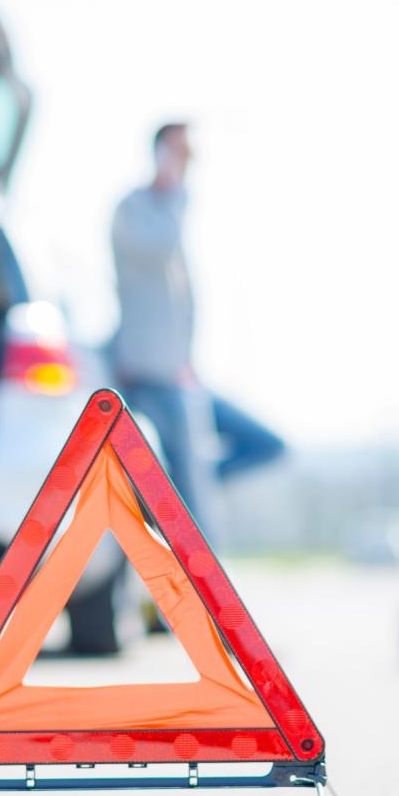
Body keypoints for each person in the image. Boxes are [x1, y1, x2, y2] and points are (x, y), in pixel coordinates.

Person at [110, 122, 285, 531]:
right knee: (195, 513)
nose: (185, 166)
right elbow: (160, 248)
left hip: (183, 377)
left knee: (267, 445)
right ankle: (201, 583)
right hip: (149, 379)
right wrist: (174, 190)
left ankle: (171, 489)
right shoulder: (135, 210)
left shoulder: (169, 212)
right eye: (178, 154)